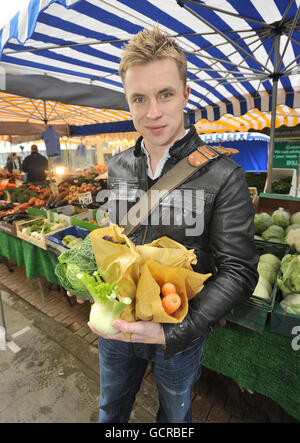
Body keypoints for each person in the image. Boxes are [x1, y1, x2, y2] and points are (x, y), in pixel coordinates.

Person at [68, 25, 259, 423]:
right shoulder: (118, 165)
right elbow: (117, 234)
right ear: (128, 101)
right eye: (139, 98)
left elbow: (240, 271)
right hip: (118, 326)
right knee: (109, 410)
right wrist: (96, 283)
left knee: (175, 415)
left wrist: (174, 331)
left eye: (165, 94)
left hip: (179, 335)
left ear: (186, 94)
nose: (152, 112)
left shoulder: (225, 175)